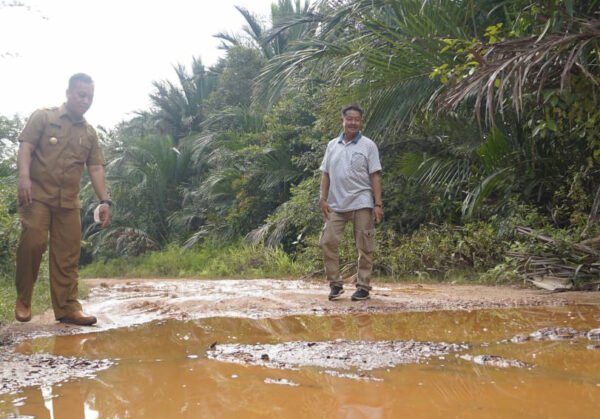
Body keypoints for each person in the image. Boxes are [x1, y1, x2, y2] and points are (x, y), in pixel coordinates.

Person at [14, 73, 112, 326]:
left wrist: (105, 201)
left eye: (90, 96)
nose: (86, 100)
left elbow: (96, 168)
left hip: (68, 201)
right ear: (68, 93)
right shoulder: (44, 117)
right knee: (33, 242)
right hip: (36, 195)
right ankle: (24, 299)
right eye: (81, 94)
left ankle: (68, 308)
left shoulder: (89, 133)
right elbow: (26, 146)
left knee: (68, 254)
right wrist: (24, 177)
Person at [319, 104, 383, 301]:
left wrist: (378, 204)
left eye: (357, 119)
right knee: (327, 241)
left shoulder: (368, 145)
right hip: (336, 204)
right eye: (350, 119)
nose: (353, 122)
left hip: (361, 201)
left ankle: (363, 286)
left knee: (364, 245)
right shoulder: (332, 145)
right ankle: (335, 284)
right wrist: (322, 198)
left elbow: (375, 176)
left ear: (360, 122)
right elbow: (326, 173)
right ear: (343, 120)